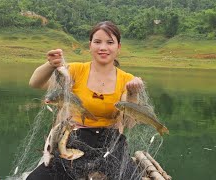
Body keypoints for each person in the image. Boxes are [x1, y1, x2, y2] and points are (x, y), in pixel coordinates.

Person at [27, 21, 144, 180]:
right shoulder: (75, 70)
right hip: (75, 137)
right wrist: (50, 65)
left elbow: (129, 122)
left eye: (110, 42)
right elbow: (36, 83)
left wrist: (133, 94)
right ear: (90, 45)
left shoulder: (127, 80)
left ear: (118, 47)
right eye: (97, 42)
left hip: (110, 142)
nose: (103, 47)